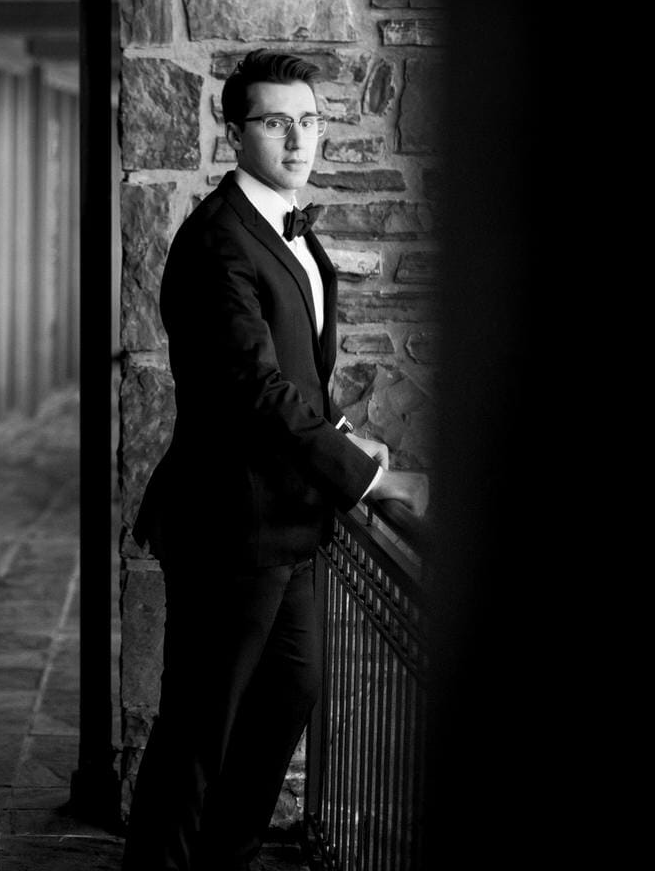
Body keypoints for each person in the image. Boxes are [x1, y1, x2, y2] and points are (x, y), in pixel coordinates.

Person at [122, 50, 429, 871]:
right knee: (198, 729)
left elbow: (298, 377)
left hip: (291, 523)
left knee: (289, 695)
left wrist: (341, 432)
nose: (299, 138)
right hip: (232, 525)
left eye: (311, 120)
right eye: (275, 121)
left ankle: (226, 860)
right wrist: (372, 476)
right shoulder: (217, 243)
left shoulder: (286, 227)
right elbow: (254, 391)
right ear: (234, 131)